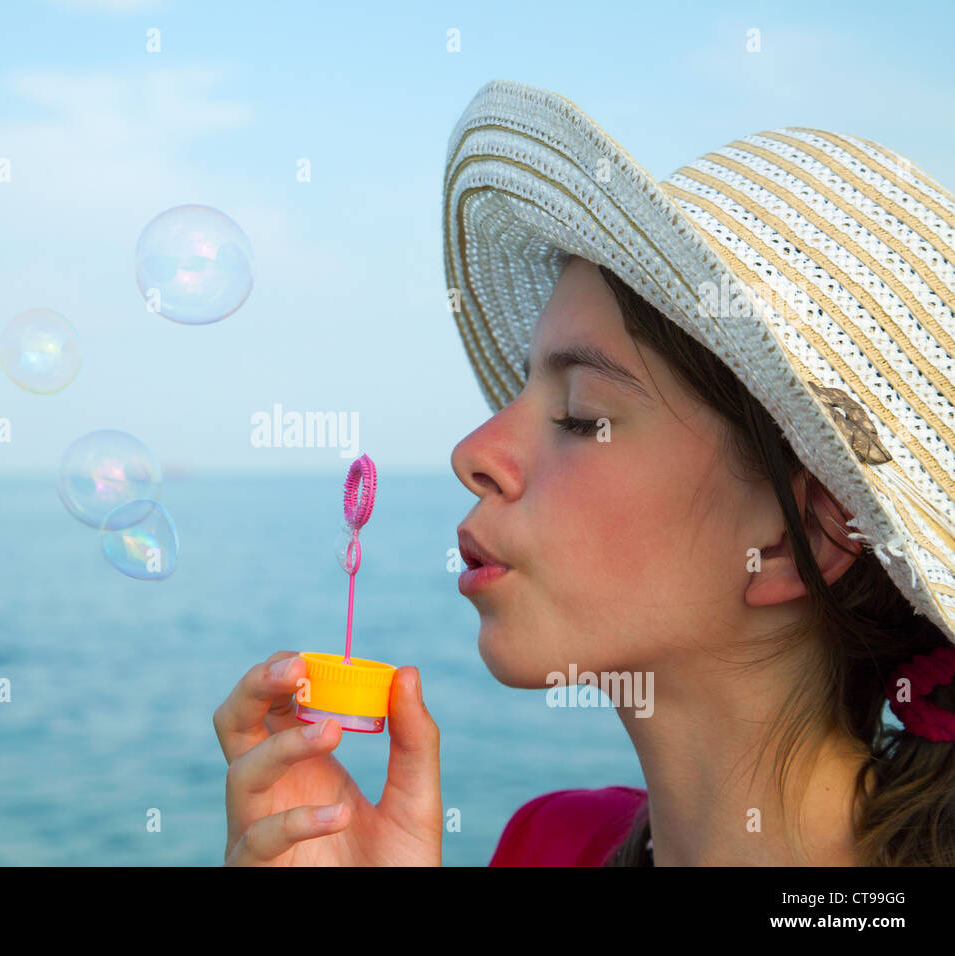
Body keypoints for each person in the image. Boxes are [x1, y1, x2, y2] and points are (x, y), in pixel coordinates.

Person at [213, 80, 955, 865]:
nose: (472, 453)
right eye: (522, 388)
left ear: (795, 534)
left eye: (578, 414)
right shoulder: (546, 843)